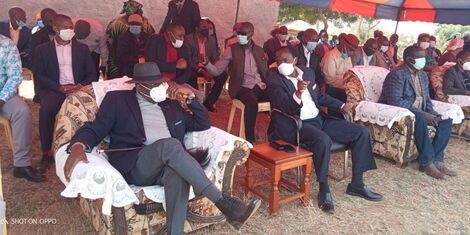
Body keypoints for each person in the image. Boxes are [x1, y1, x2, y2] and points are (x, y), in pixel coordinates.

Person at [64, 62, 261, 234]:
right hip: (136, 164)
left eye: (161, 83)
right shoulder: (117, 100)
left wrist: (191, 99)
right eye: (154, 85)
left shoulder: (172, 106)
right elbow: (96, 128)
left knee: (176, 172)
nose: (160, 87)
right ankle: (225, 204)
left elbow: (202, 123)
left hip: (169, 161)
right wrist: (79, 146)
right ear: (139, 86)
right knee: (171, 145)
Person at [267, 47, 382, 214]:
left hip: (319, 119)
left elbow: (318, 97)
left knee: (361, 132)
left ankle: (357, 184)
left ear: (294, 60)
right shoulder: (274, 80)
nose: (281, 64)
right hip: (297, 124)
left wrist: (342, 105)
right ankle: (324, 188)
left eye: (285, 60)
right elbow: (284, 107)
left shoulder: (307, 73)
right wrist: (298, 92)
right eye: (278, 61)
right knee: (323, 140)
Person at [379, 46, 456, 179]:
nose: (424, 60)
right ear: (409, 59)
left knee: (445, 120)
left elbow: (426, 99)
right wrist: (424, 114)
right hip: (401, 112)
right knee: (419, 118)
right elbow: (395, 101)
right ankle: (426, 163)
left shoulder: (422, 75)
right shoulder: (396, 74)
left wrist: (432, 113)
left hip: (421, 111)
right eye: (421, 58)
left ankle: (437, 160)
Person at [33, 14, 98, 174]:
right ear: (55, 28)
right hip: (56, 89)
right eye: (65, 27)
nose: (70, 30)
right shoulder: (42, 50)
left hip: (78, 89)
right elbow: (39, 75)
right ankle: (47, 153)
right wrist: (59, 87)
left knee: (92, 109)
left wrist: (80, 86)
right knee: (47, 110)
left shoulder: (82, 49)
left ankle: (84, 145)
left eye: (71, 27)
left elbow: (92, 73)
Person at [203, 22, 269, 143]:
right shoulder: (231, 50)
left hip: (260, 84)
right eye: (238, 33)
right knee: (251, 102)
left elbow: (265, 71)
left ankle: (274, 135)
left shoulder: (259, 50)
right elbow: (217, 71)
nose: (239, 36)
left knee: (279, 96)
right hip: (241, 87)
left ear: (251, 34)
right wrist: (206, 64)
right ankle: (249, 139)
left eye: (243, 34)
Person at [0, 35, 44, 182]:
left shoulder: (6, 44)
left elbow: (15, 77)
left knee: (22, 112)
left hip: (3, 94)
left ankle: (22, 165)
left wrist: (2, 98)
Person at [184, 19, 228, 112]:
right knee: (190, 75)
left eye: (208, 28)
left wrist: (212, 70)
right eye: (204, 28)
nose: (207, 30)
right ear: (197, 28)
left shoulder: (211, 40)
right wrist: (202, 71)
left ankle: (210, 102)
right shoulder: (189, 39)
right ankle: (196, 103)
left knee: (223, 75)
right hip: (194, 67)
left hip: (207, 66)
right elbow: (188, 60)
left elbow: (215, 57)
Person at [106, 0, 155, 79]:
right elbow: (120, 53)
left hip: (145, 69)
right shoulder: (119, 26)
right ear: (129, 25)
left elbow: (152, 46)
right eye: (133, 24)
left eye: (137, 24)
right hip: (127, 69)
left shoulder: (146, 35)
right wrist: (138, 60)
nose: (135, 26)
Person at [321, 33, 359, 118]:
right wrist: (347, 82)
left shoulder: (346, 56)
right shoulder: (330, 56)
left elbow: (349, 73)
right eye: (351, 50)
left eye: (353, 51)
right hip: (333, 91)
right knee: (335, 117)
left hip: (345, 90)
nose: (352, 53)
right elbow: (329, 79)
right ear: (344, 46)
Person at [29, 8, 57, 102]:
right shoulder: (36, 37)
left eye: (55, 19)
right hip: (45, 70)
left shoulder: (63, 34)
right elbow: (34, 60)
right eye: (50, 21)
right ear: (44, 22)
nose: (54, 23)